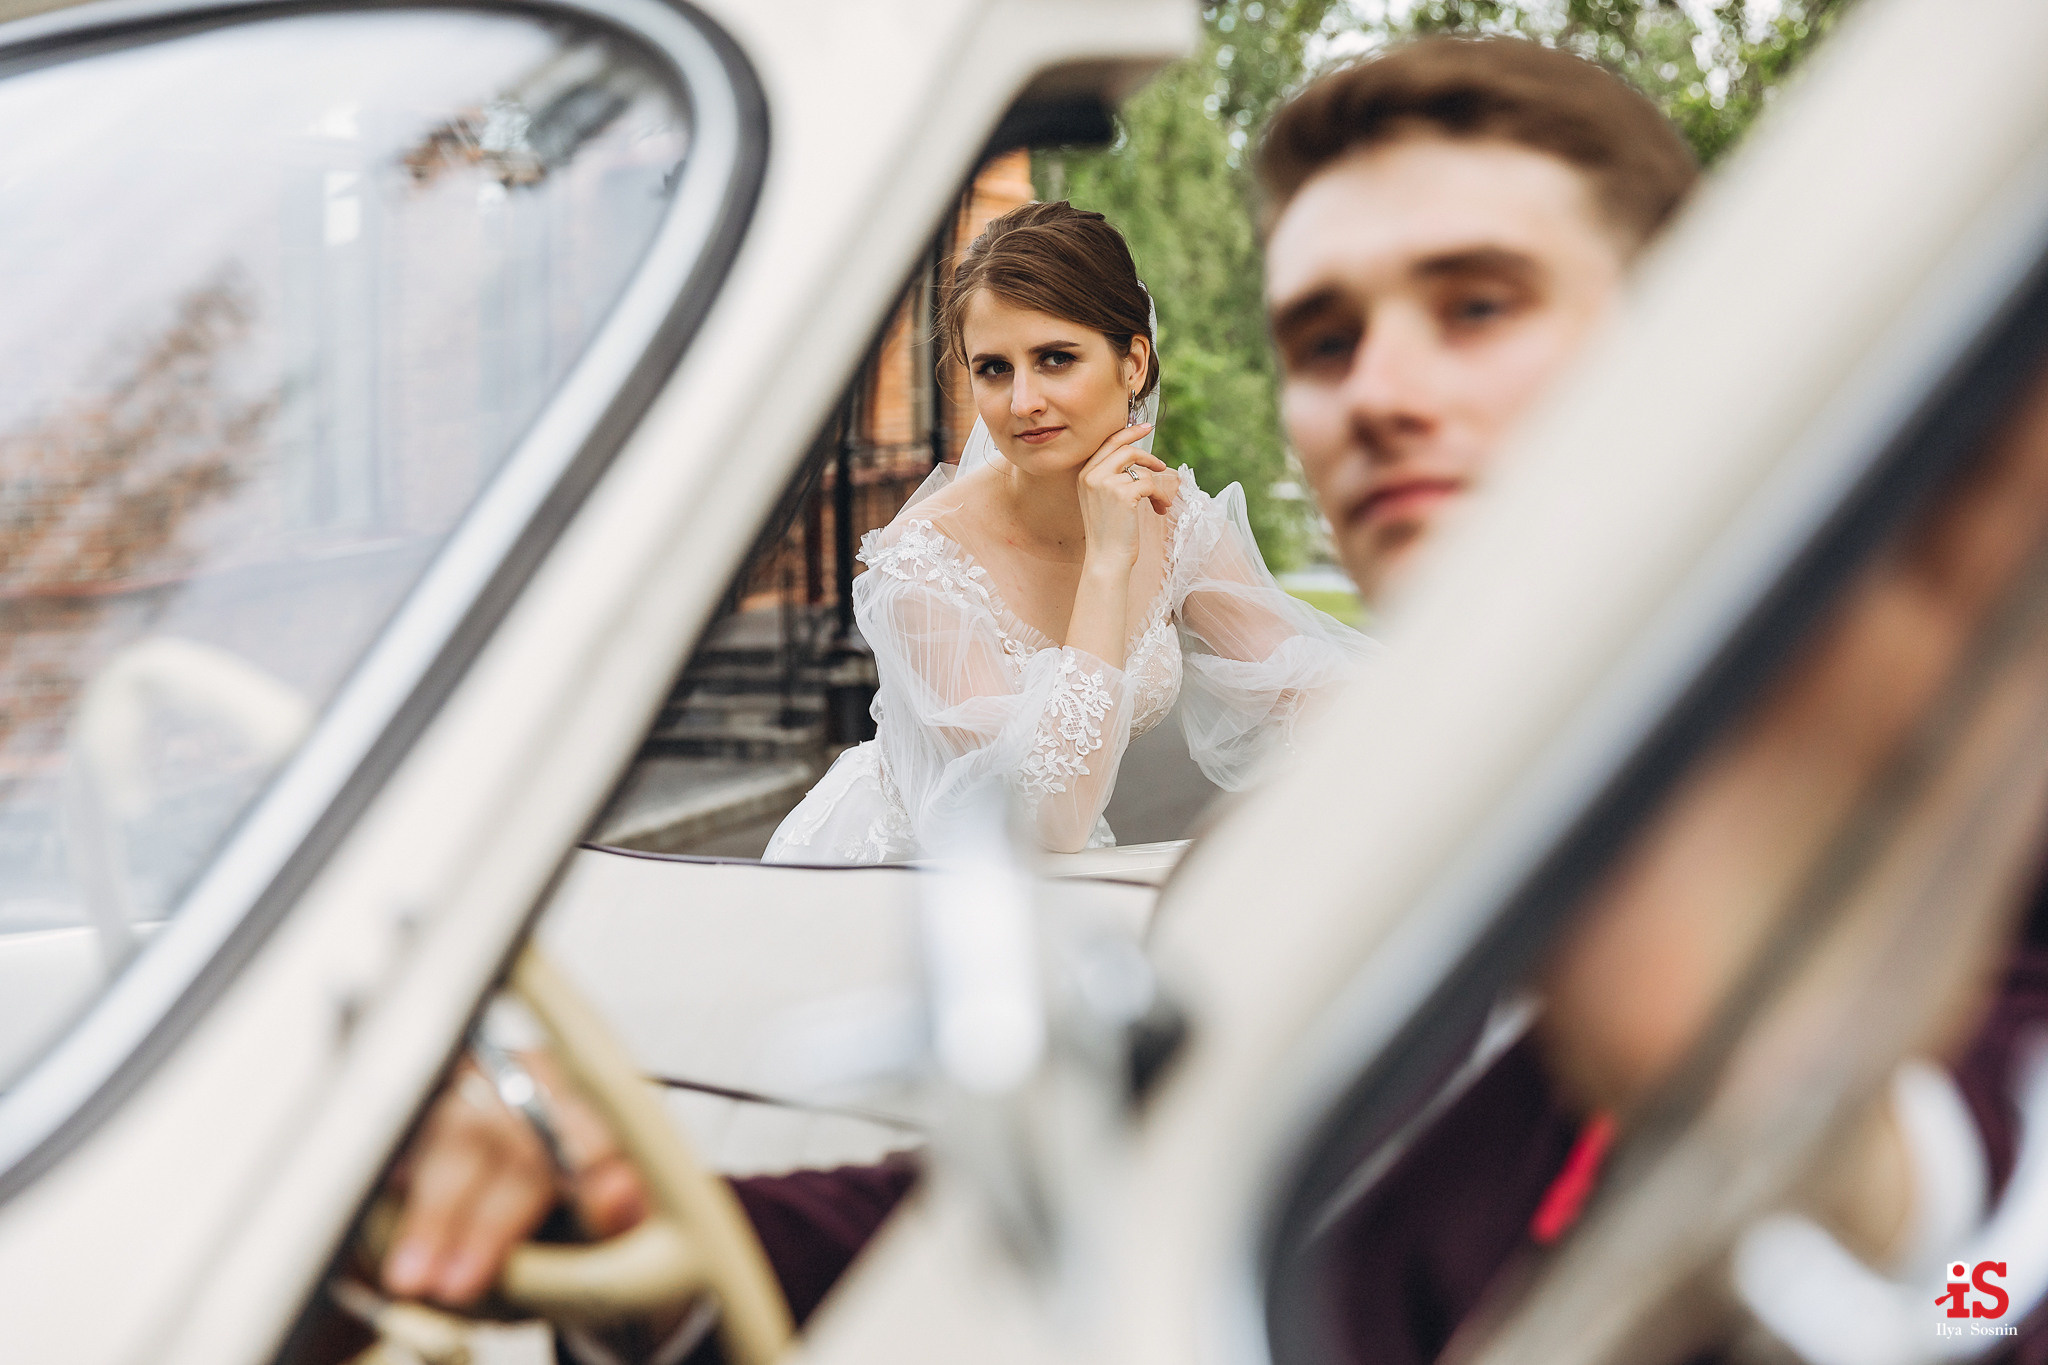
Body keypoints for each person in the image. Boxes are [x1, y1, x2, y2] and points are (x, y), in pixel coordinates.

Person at [375, 32, 2048, 1365]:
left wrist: (1840, 1177)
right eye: (1322, 337)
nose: (1376, 392)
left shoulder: (1947, 765)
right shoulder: (1317, 848)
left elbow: (1985, 1276)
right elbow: (1094, 1202)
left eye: (1474, 304)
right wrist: (620, 1202)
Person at [763, 200, 1369, 864]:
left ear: (1132, 364)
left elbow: (1307, 697)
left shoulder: (1173, 519)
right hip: (897, 875)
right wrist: (1108, 561)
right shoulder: (923, 560)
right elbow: (1042, 821)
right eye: (994, 368)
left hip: (1054, 872)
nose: (1023, 401)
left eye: (1055, 358)